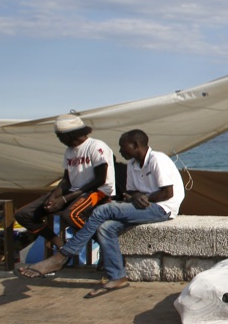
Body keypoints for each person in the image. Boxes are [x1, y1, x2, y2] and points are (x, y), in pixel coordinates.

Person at [19, 129, 185, 298]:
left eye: (122, 146)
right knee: (106, 227)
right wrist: (135, 196)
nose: (119, 151)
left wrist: (145, 197)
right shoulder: (133, 165)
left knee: (103, 209)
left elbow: (167, 193)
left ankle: (63, 256)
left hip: (162, 208)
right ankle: (117, 276)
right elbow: (131, 191)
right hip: (143, 207)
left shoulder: (157, 159)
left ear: (135, 145)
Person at [14, 114, 116, 252]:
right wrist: (53, 197)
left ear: (68, 135)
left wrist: (64, 199)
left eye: (59, 137)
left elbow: (100, 179)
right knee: (23, 215)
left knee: (71, 215)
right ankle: (58, 242)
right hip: (74, 191)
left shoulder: (96, 146)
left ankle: (107, 247)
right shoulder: (69, 152)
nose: (60, 140)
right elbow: (66, 180)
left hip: (98, 191)